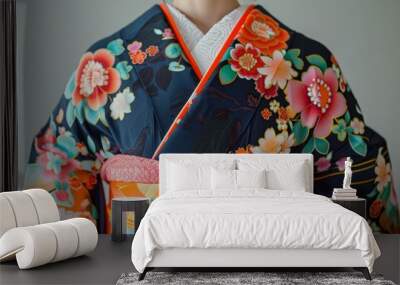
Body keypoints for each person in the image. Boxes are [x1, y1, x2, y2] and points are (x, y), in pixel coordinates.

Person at [25, 0, 399, 233]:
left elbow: (356, 179)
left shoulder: (306, 64)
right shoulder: (105, 65)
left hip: (275, 265)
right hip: (133, 261)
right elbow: (59, 171)